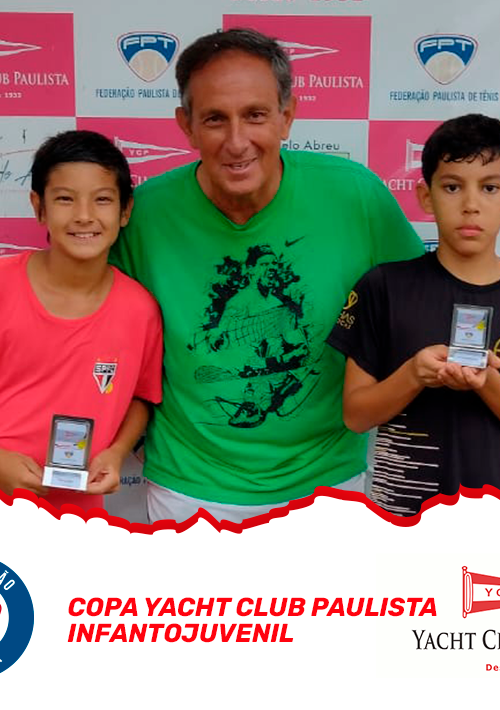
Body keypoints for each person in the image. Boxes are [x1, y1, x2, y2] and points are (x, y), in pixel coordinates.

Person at [110, 27, 423, 524]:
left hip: (329, 484)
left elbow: (424, 307)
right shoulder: (142, 214)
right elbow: (92, 332)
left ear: (287, 116)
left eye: (255, 115)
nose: (237, 142)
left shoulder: (356, 196)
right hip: (186, 489)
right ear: (185, 125)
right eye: (215, 119)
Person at [328, 114, 500, 517]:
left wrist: (486, 380)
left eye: (490, 187)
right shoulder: (384, 287)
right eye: (452, 187)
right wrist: (413, 374)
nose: (471, 205)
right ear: (426, 196)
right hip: (402, 518)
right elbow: (355, 416)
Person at [0, 130, 163, 512]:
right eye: (65, 199)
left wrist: (117, 451)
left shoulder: (140, 310)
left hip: (78, 514)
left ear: (125, 210)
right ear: (39, 207)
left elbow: (141, 396)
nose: (84, 216)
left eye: (102, 199)